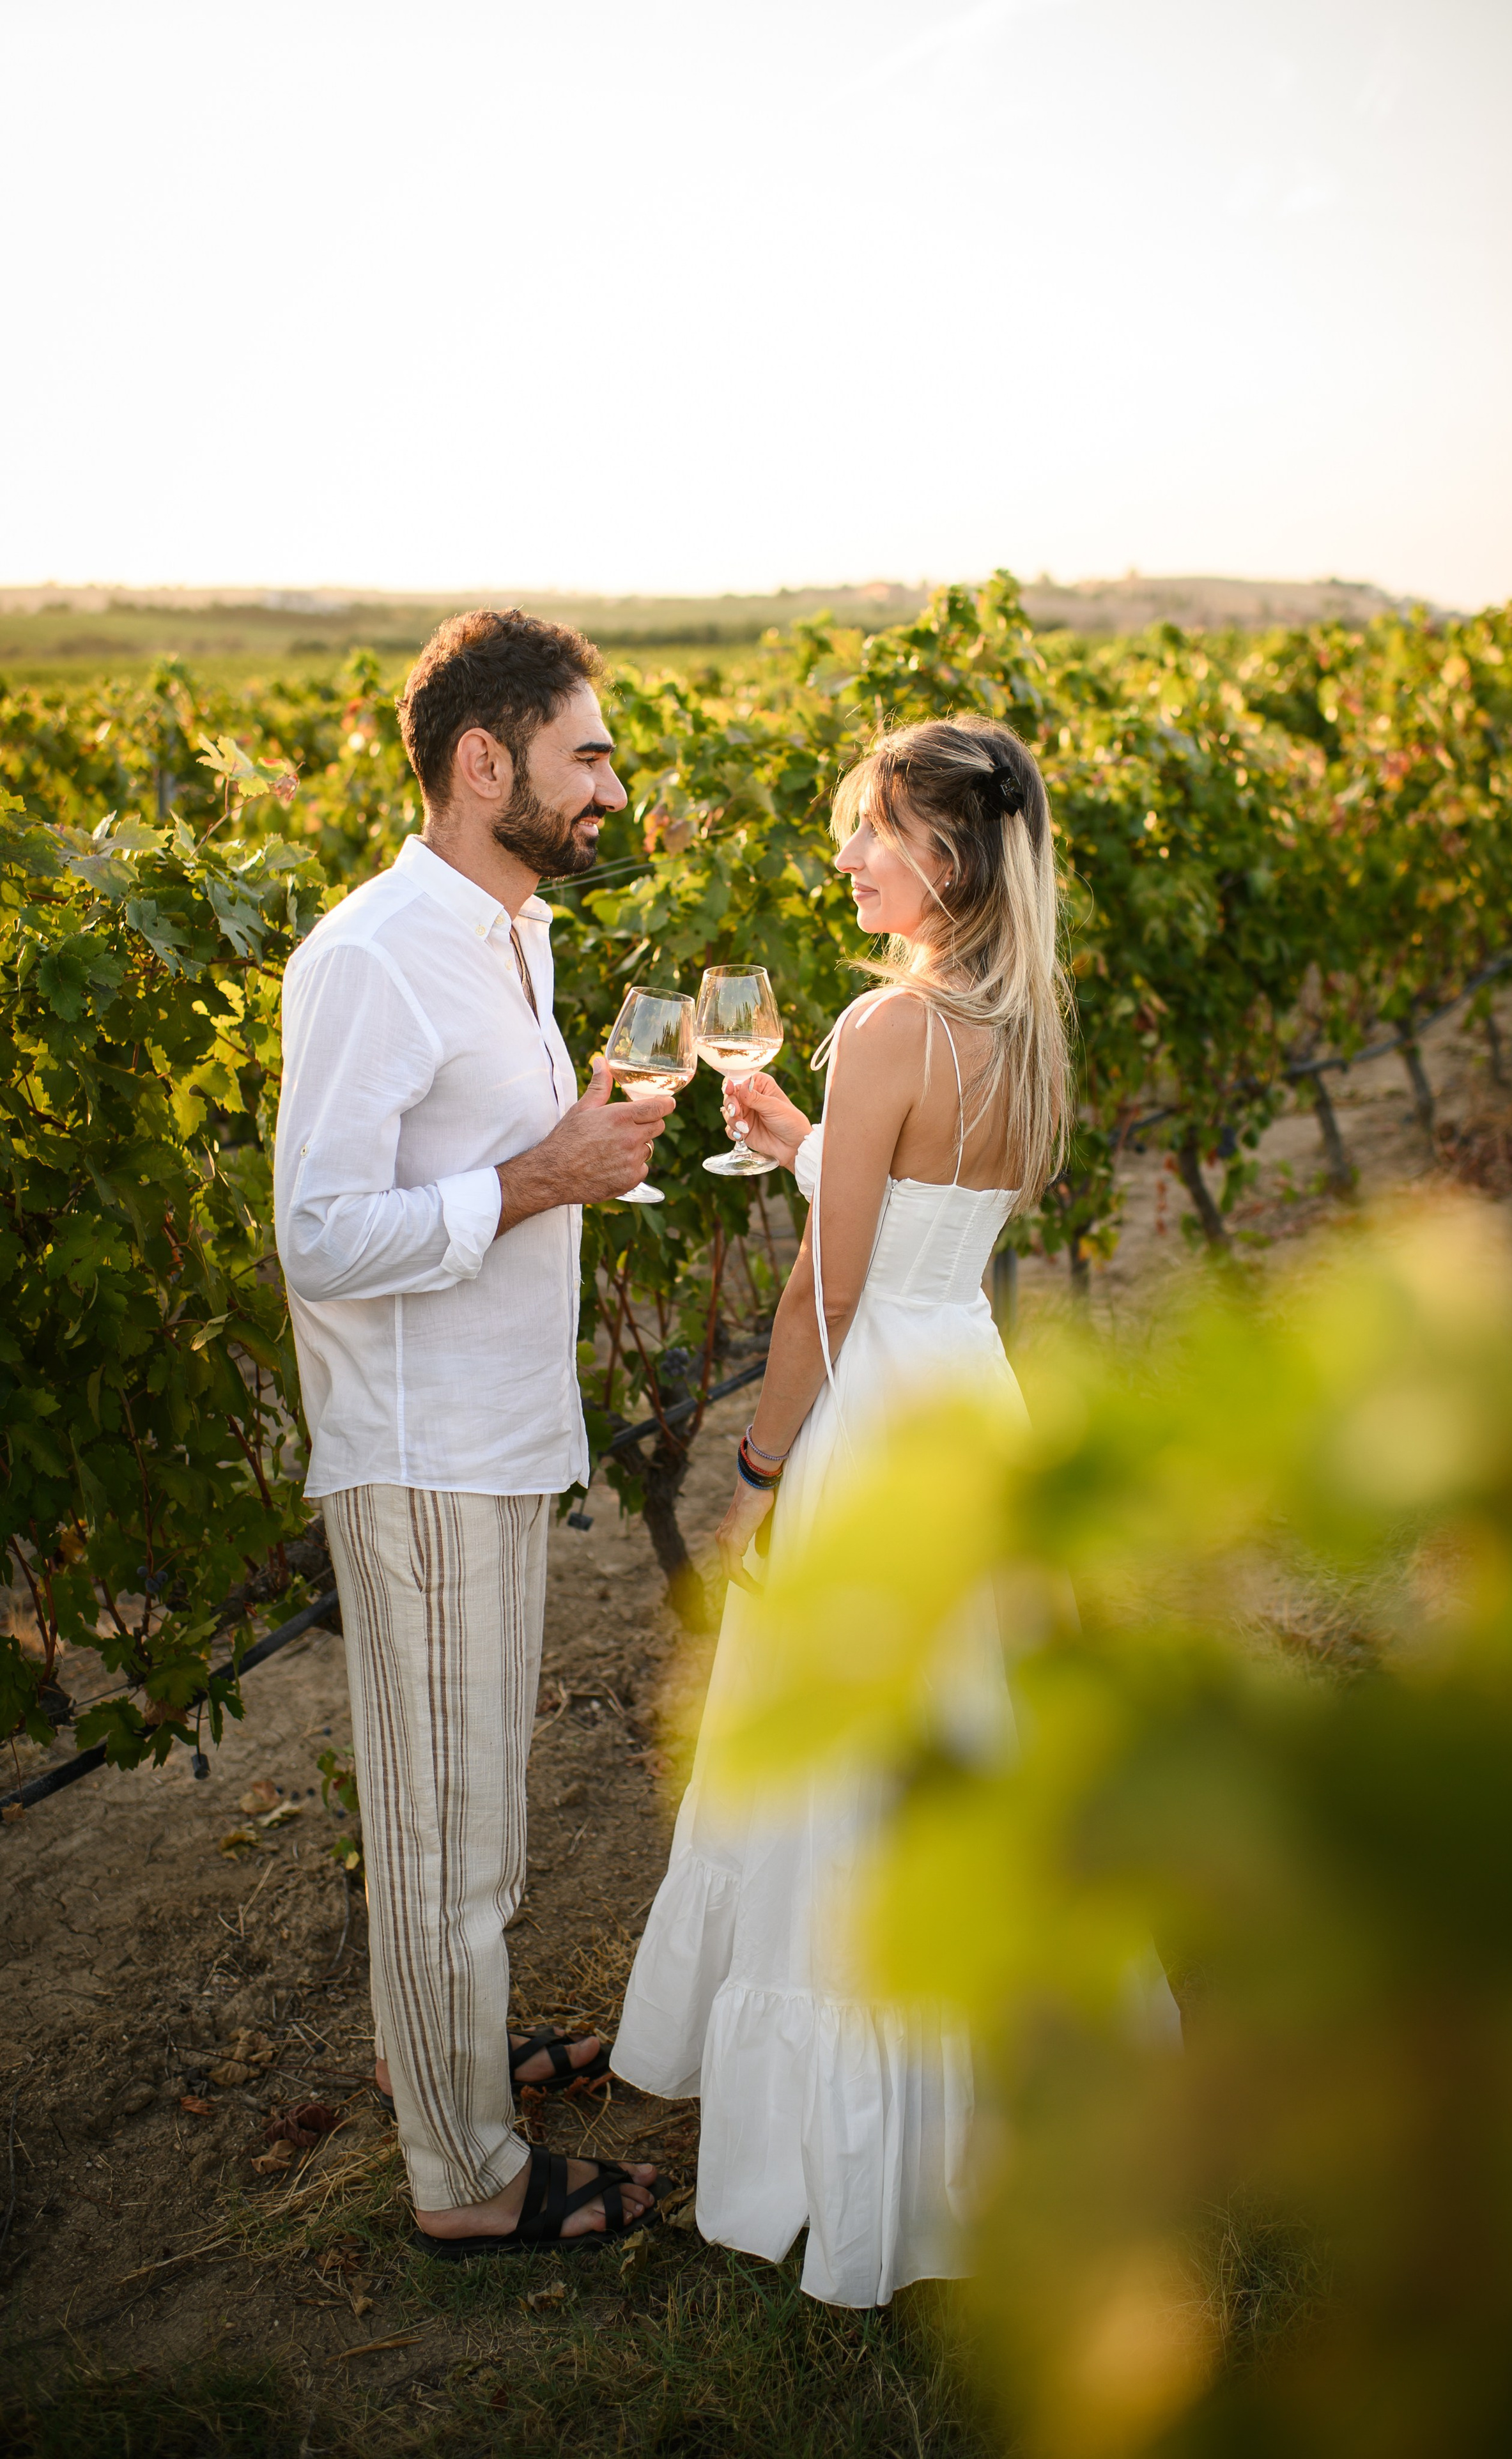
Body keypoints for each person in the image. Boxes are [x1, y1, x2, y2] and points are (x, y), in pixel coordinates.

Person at [611, 714, 1073, 2305]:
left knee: (846, 1781)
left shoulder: (887, 1026)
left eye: (870, 831)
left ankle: (853, 2159)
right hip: (965, 1399)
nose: (844, 856)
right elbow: (926, 1235)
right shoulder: (1016, 1024)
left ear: (941, 855)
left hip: (874, 1423)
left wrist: (754, 1474)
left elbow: (825, 1296)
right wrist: (813, 1149)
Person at [274, 609, 674, 2257]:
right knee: (446, 1838)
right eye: (587, 754)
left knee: (470, 1811)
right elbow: (317, 1233)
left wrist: (580, 1146)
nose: (611, 787)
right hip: (422, 1446)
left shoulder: (517, 932)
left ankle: (433, 2058)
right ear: (481, 763)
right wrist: (539, 1178)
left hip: (504, 1433)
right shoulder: (369, 953)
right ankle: (466, 2177)